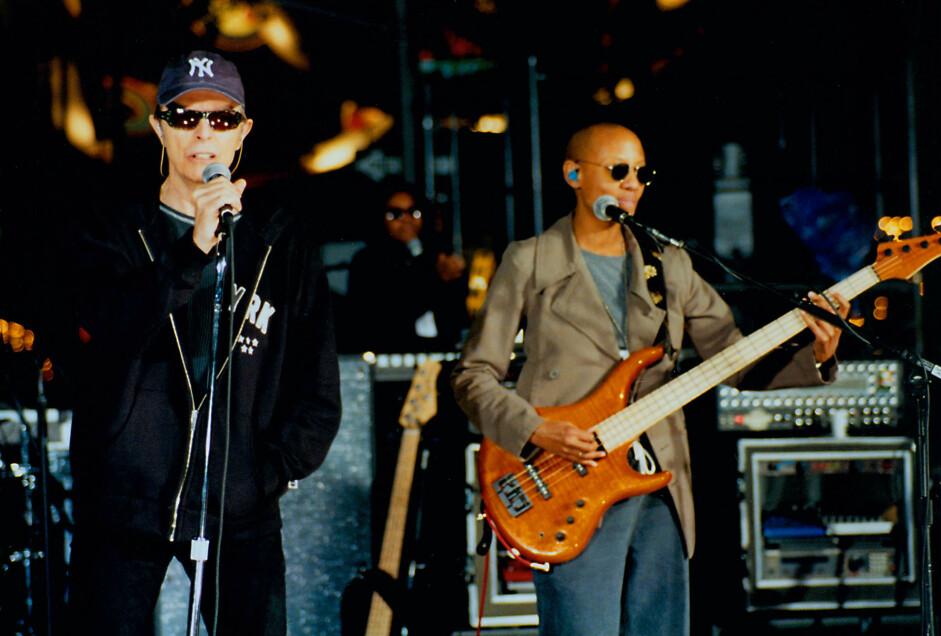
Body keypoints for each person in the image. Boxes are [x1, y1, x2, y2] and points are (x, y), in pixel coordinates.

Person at [449, 122, 849, 635]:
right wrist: (534, 430)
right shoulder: (529, 260)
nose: (633, 184)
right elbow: (472, 374)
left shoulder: (671, 266)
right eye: (618, 171)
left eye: (641, 173)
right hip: (569, 481)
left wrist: (814, 353)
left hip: (659, 484)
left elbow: (733, 357)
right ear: (573, 174)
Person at [58, 50, 342, 635]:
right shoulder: (111, 228)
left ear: (243, 133)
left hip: (239, 509)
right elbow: (109, 324)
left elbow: (316, 385)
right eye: (185, 118)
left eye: (221, 118)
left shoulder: (279, 242)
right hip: (124, 504)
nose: (203, 133)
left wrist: (263, 475)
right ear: (159, 128)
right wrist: (190, 251)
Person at [346, 183, 468, 352]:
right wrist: (436, 279)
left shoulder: (437, 254)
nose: (406, 220)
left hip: (440, 348)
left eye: (413, 212)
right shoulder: (367, 261)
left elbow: (457, 311)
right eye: (395, 214)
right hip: (395, 349)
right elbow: (385, 314)